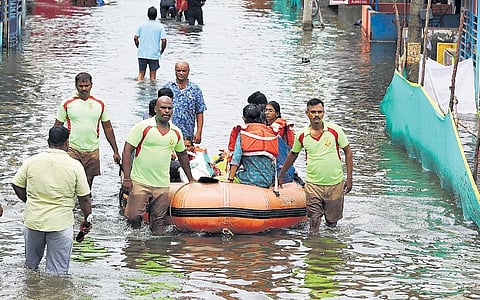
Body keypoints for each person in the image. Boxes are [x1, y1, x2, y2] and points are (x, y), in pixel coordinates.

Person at [11, 126, 92, 275]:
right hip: (60, 224)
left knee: (30, 268)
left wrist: (29, 201)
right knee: (57, 274)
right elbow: (84, 198)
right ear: (67, 143)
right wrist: (87, 219)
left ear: (48, 141)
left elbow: (16, 184)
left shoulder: (32, 161)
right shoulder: (74, 166)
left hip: (33, 221)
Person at [121, 96, 194, 234]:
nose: (166, 111)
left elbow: (182, 155)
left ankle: (156, 252)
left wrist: (191, 179)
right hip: (140, 181)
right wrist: (126, 178)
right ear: (156, 109)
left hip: (162, 183)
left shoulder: (176, 132)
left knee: (159, 223)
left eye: (169, 108)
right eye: (163, 108)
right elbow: (127, 150)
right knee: (133, 217)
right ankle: (134, 247)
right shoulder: (143, 127)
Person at [278, 98, 353, 233]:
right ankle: (314, 249)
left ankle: (328, 248)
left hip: (335, 183)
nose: (316, 115)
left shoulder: (335, 131)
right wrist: (281, 175)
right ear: (307, 113)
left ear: (324, 113)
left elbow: (347, 152)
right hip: (313, 185)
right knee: (314, 220)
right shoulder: (302, 135)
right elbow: (293, 155)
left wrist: (349, 179)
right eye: (313, 112)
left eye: (319, 112)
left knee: (332, 223)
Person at [54, 72, 121, 190]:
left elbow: (108, 128)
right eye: (81, 86)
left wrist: (115, 151)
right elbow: (57, 128)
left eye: (86, 86)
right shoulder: (67, 104)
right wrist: (54, 151)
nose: (84, 89)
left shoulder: (100, 104)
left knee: (88, 182)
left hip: (92, 150)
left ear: (91, 85)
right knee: (71, 179)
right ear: (76, 86)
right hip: (72, 148)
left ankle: (85, 206)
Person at [227, 104, 278, 188]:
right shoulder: (271, 134)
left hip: (248, 179)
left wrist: (230, 179)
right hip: (267, 180)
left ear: (244, 118)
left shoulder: (243, 133)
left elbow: (236, 158)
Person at [163, 60, 207, 144]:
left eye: (184, 71)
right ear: (175, 71)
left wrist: (199, 132)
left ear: (188, 71)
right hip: (168, 132)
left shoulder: (195, 90)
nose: (181, 73)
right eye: (178, 70)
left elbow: (199, 112)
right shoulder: (167, 88)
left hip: (187, 134)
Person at [264, 100, 296, 183]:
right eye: (266, 110)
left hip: (281, 163)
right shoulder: (267, 127)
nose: (267, 113)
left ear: (277, 114)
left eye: (270, 111)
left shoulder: (278, 128)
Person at [134, 6, 167, 81]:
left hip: (142, 54)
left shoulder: (141, 25)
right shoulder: (160, 26)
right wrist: (162, 50)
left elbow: (135, 38)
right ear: (156, 15)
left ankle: (139, 89)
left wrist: (139, 47)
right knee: (153, 76)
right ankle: (152, 92)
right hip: (154, 54)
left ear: (147, 15)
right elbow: (164, 41)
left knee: (141, 74)